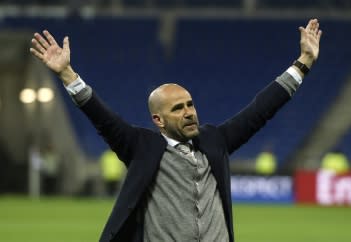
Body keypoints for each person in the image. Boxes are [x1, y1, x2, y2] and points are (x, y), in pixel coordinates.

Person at [29, 19, 322, 242]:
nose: (189, 112)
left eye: (190, 104)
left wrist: (304, 62)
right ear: (158, 120)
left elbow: (261, 109)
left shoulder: (215, 140)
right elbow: (100, 117)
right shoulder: (142, 147)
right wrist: (67, 74)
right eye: (178, 108)